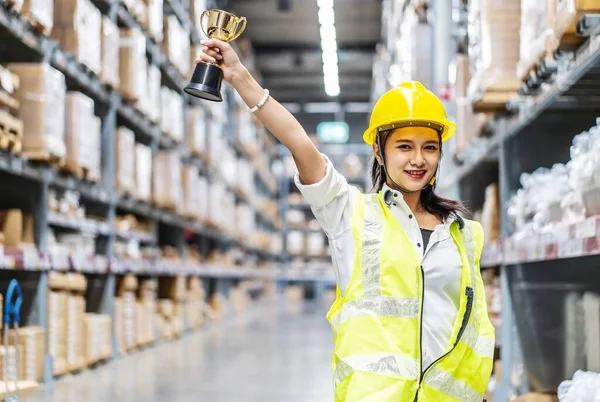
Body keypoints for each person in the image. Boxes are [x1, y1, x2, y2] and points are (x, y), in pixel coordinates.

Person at [198, 38, 495, 401]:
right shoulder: (349, 213)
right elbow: (299, 143)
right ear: (378, 150)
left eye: (429, 147)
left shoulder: (464, 233)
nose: (418, 159)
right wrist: (241, 78)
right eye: (404, 146)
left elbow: (472, 329)